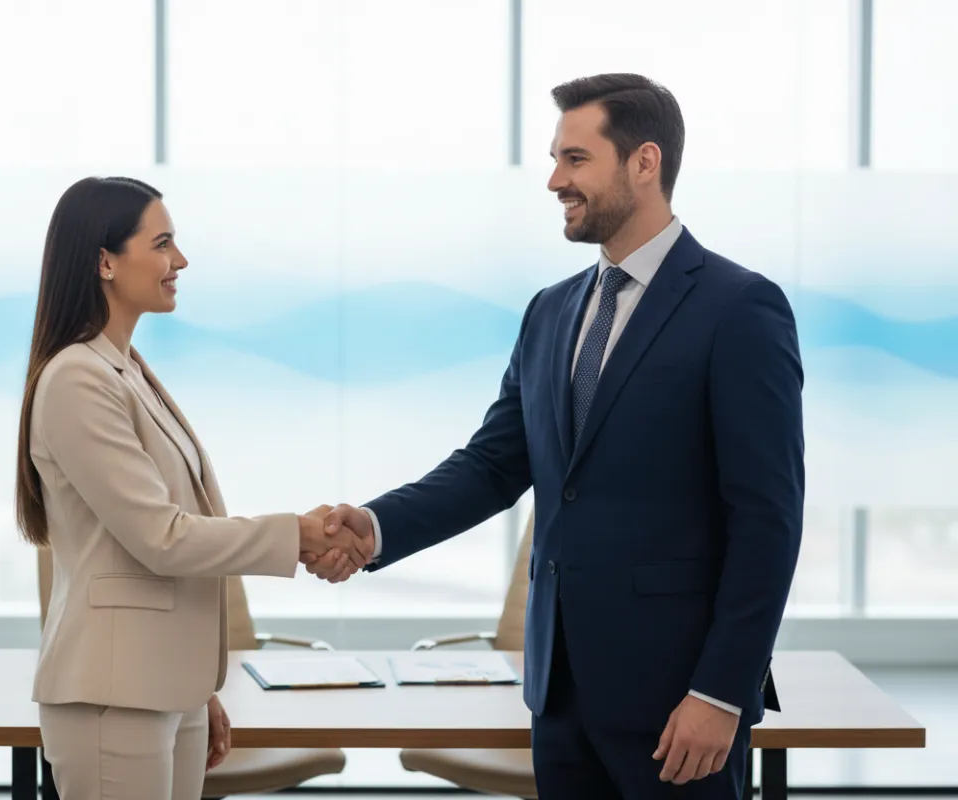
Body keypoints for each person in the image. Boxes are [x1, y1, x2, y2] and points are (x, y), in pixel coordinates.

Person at [305, 73, 804, 799]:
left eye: (574, 159)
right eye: (554, 159)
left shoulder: (739, 309)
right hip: (559, 699)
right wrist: (375, 526)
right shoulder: (551, 311)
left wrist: (722, 694)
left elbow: (768, 519)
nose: (553, 180)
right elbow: (492, 465)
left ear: (645, 162)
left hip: (678, 704)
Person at [14, 176, 372, 800]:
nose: (179, 261)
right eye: (162, 243)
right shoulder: (78, 378)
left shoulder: (124, 369)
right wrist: (299, 535)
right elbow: (163, 538)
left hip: (157, 687)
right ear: (104, 260)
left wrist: (193, 686)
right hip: (112, 695)